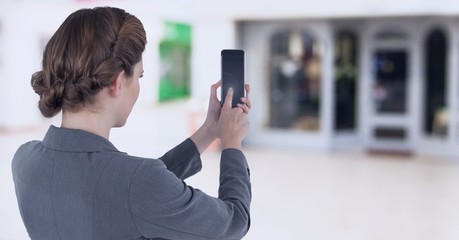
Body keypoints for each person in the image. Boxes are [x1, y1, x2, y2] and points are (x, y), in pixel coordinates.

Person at [12, 7, 252, 240]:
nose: (138, 86)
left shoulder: (24, 160)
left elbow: (126, 190)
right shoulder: (135, 184)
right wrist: (232, 144)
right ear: (117, 82)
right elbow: (233, 223)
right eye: (140, 76)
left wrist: (209, 131)